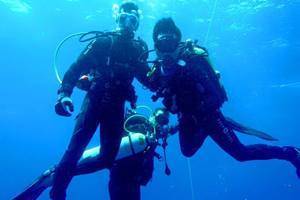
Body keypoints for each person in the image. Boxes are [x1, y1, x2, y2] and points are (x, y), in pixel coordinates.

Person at [147, 17, 300, 178]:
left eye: (170, 43)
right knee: (187, 151)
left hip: (209, 117)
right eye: (162, 45)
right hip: (187, 119)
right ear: (156, 48)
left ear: (177, 42)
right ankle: (209, 127)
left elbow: (218, 97)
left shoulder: (193, 61)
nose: (167, 50)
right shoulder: (157, 72)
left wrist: (199, 114)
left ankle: (291, 153)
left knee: (241, 154)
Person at [50, 2, 152, 199]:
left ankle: (62, 172)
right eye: (123, 19)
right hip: (95, 101)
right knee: (74, 151)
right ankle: (57, 193)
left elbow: (148, 79)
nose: (127, 25)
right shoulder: (103, 42)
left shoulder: (139, 50)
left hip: (116, 108)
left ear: (137, 24)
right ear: (117, 19)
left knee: (107, 159)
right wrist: (64, 94)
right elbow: (75, 69)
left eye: (133, 21)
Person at [13, 107, 177, 200]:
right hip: (115, 159)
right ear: (152, 116)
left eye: (164, 121)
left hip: (129, 179)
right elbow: (119, 127)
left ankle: (50, 178)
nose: (162, 122)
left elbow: (173, 128)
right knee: (79, 165)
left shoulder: (157, 136)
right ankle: (48, 178)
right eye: (160, 117)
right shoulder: (139, 122)